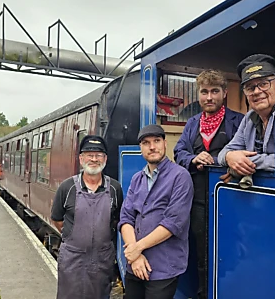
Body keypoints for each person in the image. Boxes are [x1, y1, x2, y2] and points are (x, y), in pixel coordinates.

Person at [173, 69, 243, 299]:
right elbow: (179, 151)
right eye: (204, 92)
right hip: (197, 200)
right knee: (201, 253)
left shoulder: (240, 121)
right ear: (199, 94)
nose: (209, 97)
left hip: (230, 199)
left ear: (224, 93)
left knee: (229, 251)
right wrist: (193, 159)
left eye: (214, 91)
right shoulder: (192, 124)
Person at [119, 125, 193, 299]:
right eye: (146, 143)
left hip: (163, 266)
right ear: (140, 148)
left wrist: (136, 248)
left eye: (157, 141)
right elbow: (126, 217)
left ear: (165, 144)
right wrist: (134, 255)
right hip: (135, 264)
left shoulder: (180, 177)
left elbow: (173, 223)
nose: (152, 147)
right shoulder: (137, 178)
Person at [50, 135, 123, 299]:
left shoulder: (115, 188)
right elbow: (57, 219)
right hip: (72, 259)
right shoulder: (67, 187)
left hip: (102, 260)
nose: (94, 159)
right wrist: (72, 237)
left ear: (105, 159)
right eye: (89, 154)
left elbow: (117, 219)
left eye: (98, 155)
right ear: (81, 158)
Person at [218, 54, 275, 182]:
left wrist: (242, 163)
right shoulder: (249, 118)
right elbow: (225, 152)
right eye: (250, 88)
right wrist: (229, 157)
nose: (256, 91)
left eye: (264, 83)